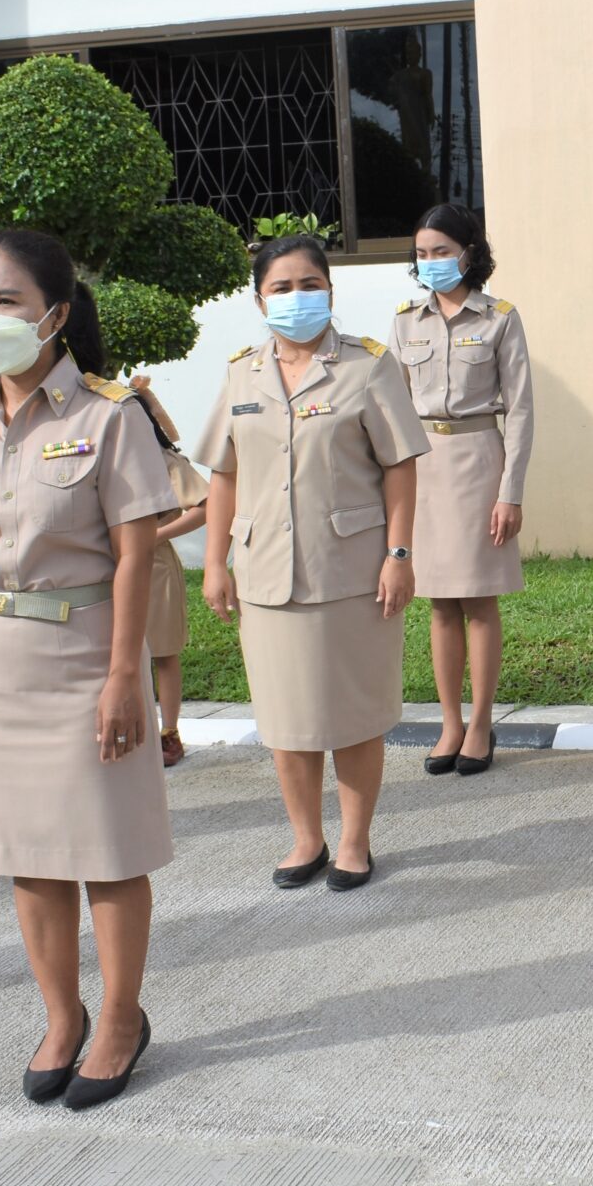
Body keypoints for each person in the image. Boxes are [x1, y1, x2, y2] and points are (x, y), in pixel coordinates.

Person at [0, 230, 177, 1110]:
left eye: (8, 301)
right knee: (28, 856)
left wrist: (123, 677)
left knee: (107, 851)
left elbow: (136, 555)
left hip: (85, 655)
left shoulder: (108, 416)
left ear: (55, 314)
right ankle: (62, 1016)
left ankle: (121, 1018)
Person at [196, 234, 428, 892]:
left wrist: (399, 554)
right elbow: (224, 474)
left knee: (353, 715)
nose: (296, 297)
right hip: (266, 572)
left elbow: (399, 466)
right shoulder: (242, 373)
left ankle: (354, 841)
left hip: (350, 570)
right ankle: (306, 837)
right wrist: (215, 562)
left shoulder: (368, 366)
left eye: (309, 285)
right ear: (258, 299)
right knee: (286, 720)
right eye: (281, 287)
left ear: (330, 290)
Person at [390, 202, 533, 775]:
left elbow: (520, 410)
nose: (431, 261)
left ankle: (480, 722)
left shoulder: (500, 318)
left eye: (442, 251)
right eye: (422, 253)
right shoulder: (405, 321)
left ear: (469, 253)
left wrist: (510, 492)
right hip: (423, 467)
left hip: (478, 462)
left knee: (477, 599)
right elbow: (392, 409)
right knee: (439, 603)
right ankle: (449, 722)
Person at [127, 376, 208, 767]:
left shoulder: (164, 460)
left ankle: (169, 733)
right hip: (109, 568)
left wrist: (154, 536)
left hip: (155, 568)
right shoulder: (102, 458)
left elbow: (205, 505)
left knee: (162, 652)